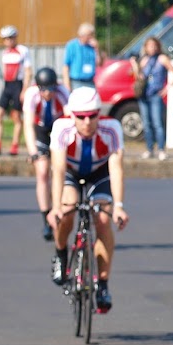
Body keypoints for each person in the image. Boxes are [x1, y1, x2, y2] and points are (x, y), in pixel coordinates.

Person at [46, 87, 129, 313]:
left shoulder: (111, 129)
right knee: (67, 212)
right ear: (71, 115)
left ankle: (102, 284)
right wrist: (55, 208)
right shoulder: (61, 128)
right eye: (81, 117)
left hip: (99, 174)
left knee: (103, 220)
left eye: (93, 115)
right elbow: (59, 169)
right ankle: (61, 253)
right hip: (72, 172)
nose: (87, 122)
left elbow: (116, 169)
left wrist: (119, 207)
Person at [23, 67, 70, 240]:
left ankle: (62, 209)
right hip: (41, 129)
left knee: (60, 170)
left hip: (59, 128)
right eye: (44, 89)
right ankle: (45, 218)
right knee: (42, 172)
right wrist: (33, 152)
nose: (48, 93)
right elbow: (28, 125)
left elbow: (70, 119)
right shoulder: (31, 95)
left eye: (51, 89)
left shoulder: (63, 92)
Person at [0, 25, 33, 156]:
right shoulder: (5, 53)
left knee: (16, 116)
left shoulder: (22, 51)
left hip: (17, 85)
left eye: (9, 39)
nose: (7, 42)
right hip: (7, 86)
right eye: (5, 39)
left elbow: (28, 71)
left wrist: (24, 89)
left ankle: (15, 145)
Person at [131, 36, 173, 160]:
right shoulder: (144, 60)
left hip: (156, 94)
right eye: (149, 46)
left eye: (154, 46)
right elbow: (139, 77)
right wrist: (135, 65)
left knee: (158, 123)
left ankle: (161, 149)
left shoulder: (162, 59)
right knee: (147, 123)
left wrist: (166, 88)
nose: (152, 48)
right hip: (144, 95)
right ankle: (149, 148)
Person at [62, 22, 103, 93]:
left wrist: (97, 49)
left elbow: (99, 64)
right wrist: (67, 83)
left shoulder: (92, 47)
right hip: (76, 82)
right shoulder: (72, 45)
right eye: (89, 35)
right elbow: (66, 66)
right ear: (82, 35)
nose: (91, 38)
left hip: (90, 82)